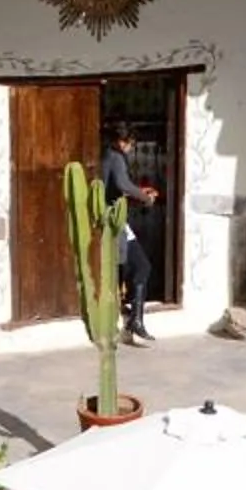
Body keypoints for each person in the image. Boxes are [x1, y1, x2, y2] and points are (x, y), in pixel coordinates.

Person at [100, 120, 160, 344]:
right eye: (129, 142)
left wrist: (139, 193)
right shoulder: (115, 157)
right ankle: (132, 321)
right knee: (137, 267)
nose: (131, 147)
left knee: (137, 267)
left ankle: (134, 320)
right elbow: (124, 185)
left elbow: (118, 189)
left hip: (118, 222)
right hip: (115, 225)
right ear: (120, 141)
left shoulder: (109, 155)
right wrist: (145, 197)